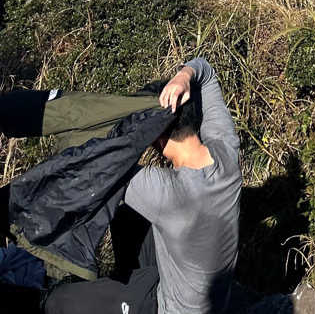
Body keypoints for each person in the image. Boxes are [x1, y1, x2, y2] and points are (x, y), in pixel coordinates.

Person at [45, 56, 241, 314]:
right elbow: (207, 71)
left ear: (157, 136)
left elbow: (104, 169)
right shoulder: (226, 149)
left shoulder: (169, 194)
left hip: (168, 308)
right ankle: (128, 280)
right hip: (211, 298)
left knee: (57, 302)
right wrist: (184, 76)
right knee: (126, 216)